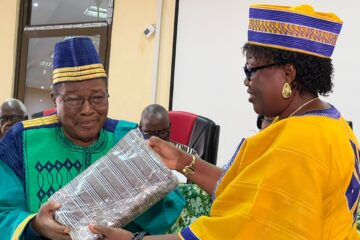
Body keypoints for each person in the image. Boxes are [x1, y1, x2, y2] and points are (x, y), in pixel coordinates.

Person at [88, 4, 360, 239]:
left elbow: (236, 231)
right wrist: (181, 161)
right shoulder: (330, 124)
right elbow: (244, 190)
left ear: (287, 74)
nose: (246, 80)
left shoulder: (298, 142)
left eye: (251, 69)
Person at [0, 37, 184, 239]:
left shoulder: (127, 138)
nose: (87, 110)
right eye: (73, 100)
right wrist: (35, 226)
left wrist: (142, 189)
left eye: (97, 97)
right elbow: (3, 213)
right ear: (55, 99)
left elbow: (169, 212)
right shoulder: (21, 141)